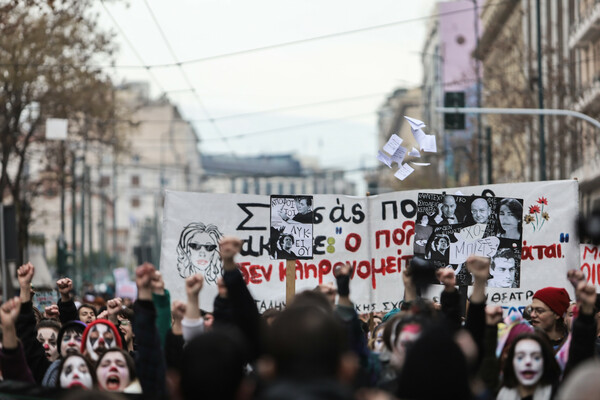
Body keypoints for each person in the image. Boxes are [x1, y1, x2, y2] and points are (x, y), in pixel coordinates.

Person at [497, 333, 560, 400]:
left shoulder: (559, 394)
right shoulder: (503, 395)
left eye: (536, 357)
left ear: (545, 362)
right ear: (511, 362)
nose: (528, 362)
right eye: (520, 357)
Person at [528, 287, 570, 353]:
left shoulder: (572, 344)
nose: (532, 315)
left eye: (539, 311)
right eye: (531, 309)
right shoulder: (525, 340)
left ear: (557, 314)